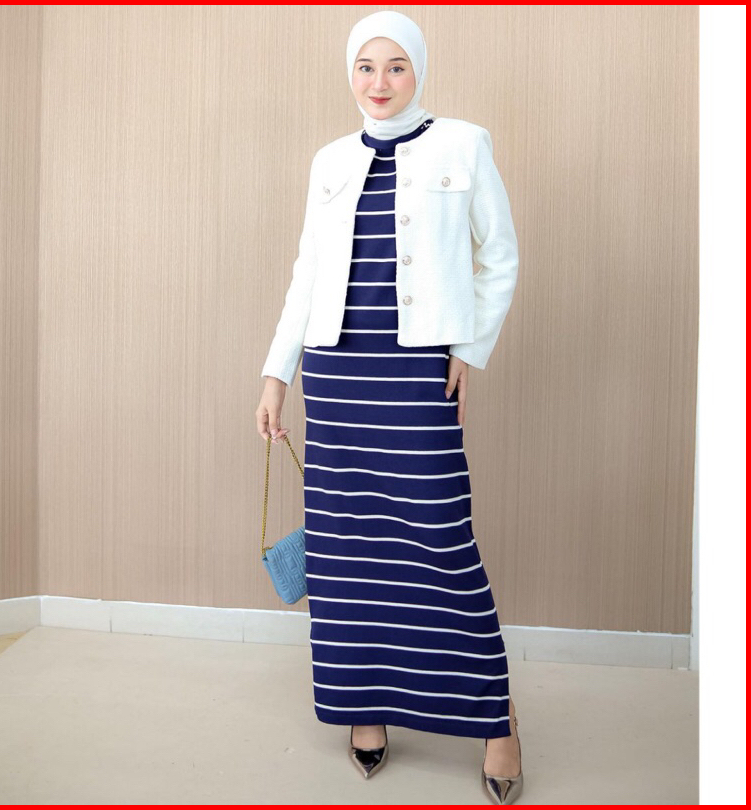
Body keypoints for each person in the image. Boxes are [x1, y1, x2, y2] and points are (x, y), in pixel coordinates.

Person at [255, 10, 522, 804]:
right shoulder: (330, 160)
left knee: (440, 541)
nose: (379, 82)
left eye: (396, 66)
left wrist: (468, 349)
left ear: (419, 71)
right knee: (345, 553)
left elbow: (500, 257)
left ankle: (497, 720)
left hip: (413, 375)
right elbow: (307, 273)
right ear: (351, 74)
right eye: (366, 66)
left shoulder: (464, 144)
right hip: (337, 377)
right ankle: (362, 708)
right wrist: (277, 375)